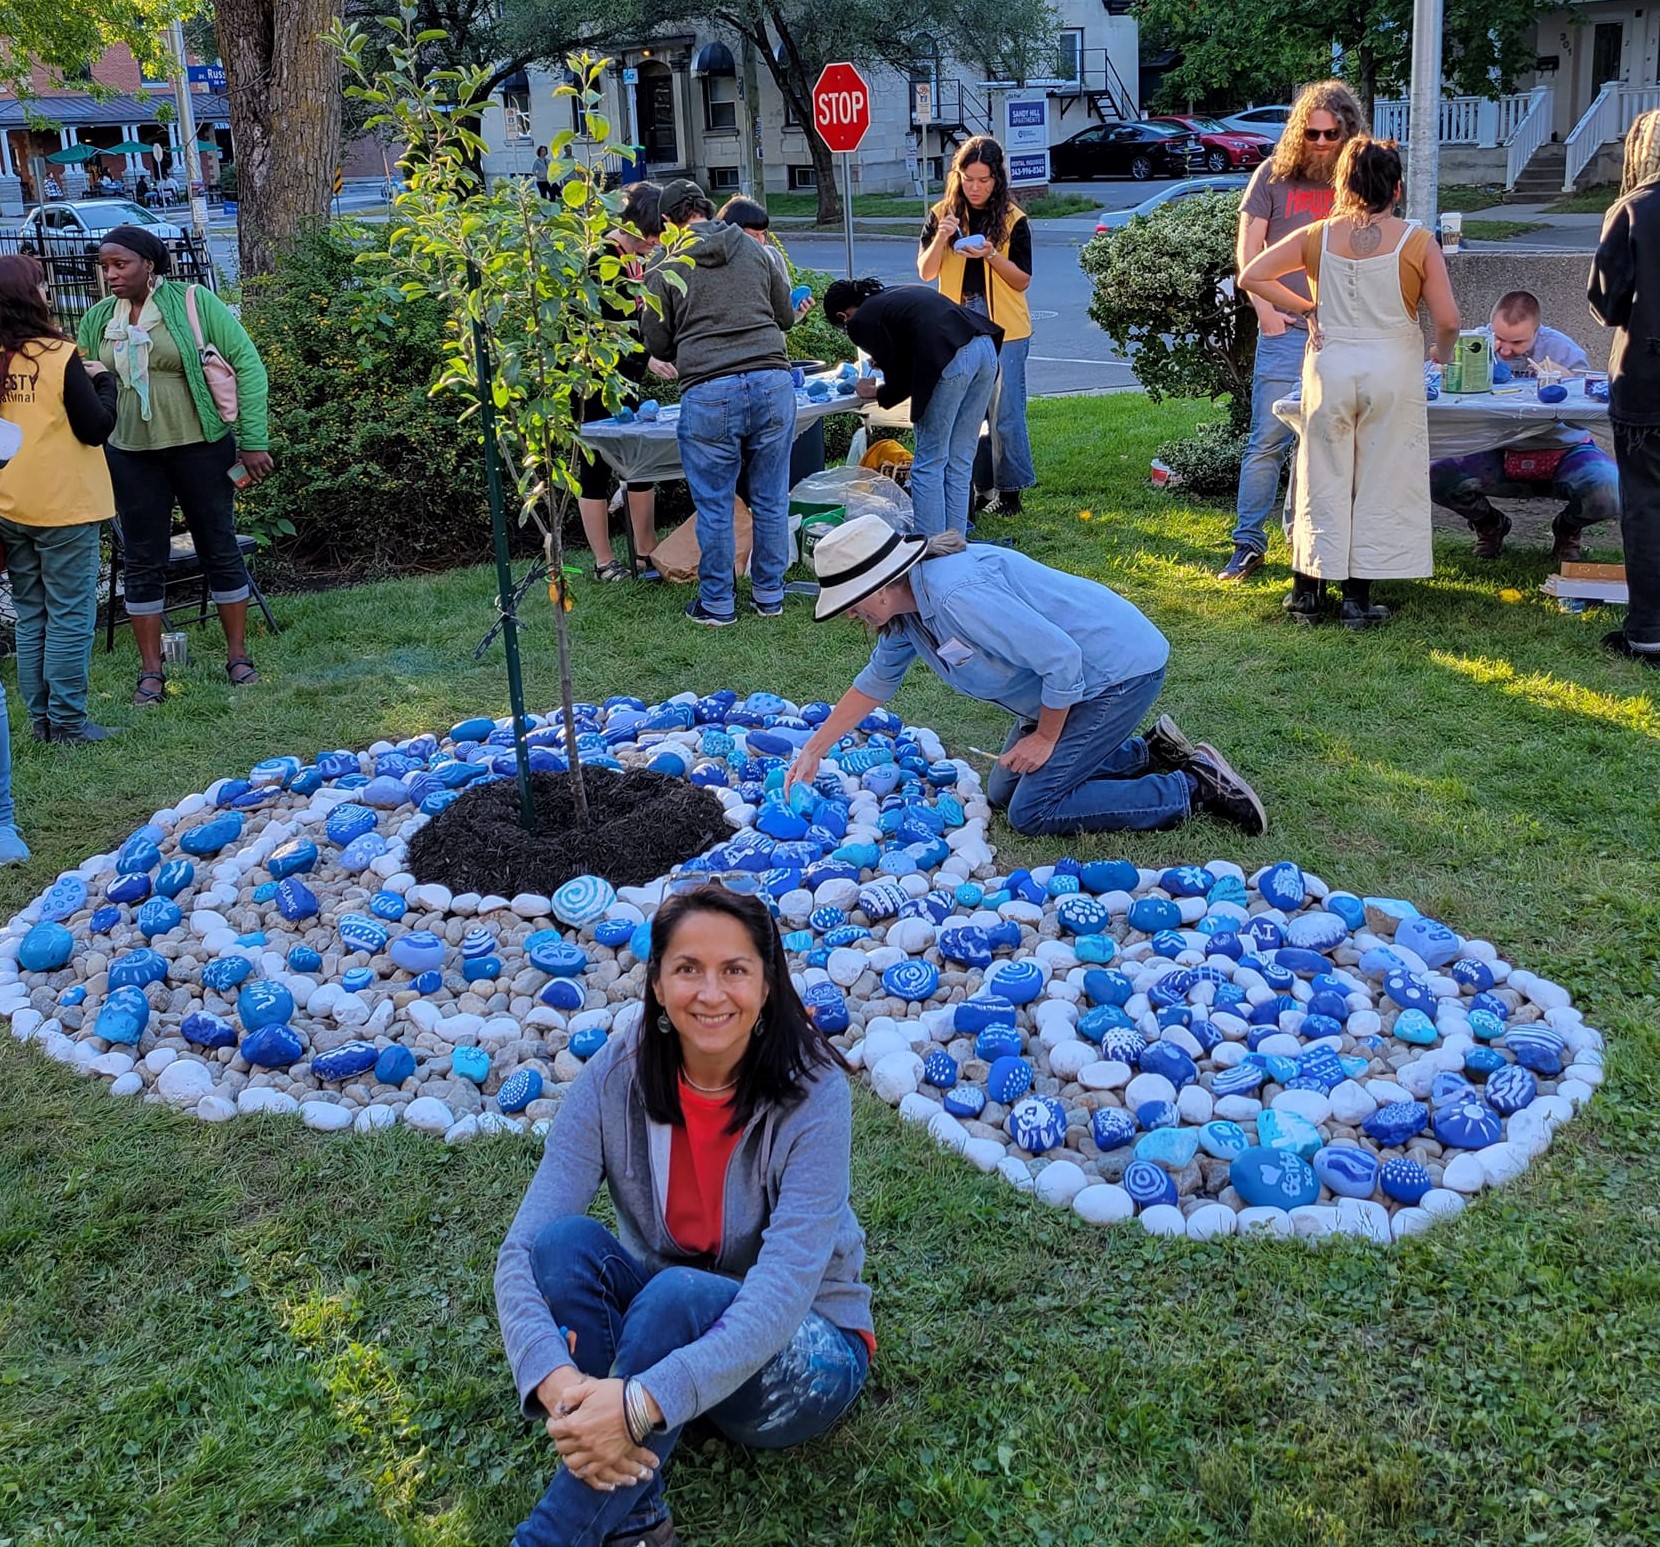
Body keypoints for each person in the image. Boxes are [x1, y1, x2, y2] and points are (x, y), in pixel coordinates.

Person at [495, 882, 872, 1547]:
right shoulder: (617, 1074)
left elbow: (782, 1294)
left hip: (802, 1351)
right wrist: (560, 1388)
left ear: (765, 985)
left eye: (734, 969)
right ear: (659, 985)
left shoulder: (816, 1092)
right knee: (561, 1246)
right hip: (668, 1335)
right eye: (688, 968)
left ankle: (548, 1537)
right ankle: (637, 1521)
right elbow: (519, 1253)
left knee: (678, 1292)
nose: (710, 992)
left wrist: (636, 1402)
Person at [786, 513, 1267, 835]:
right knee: (1002, 791)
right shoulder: (906, 614)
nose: (850, 615)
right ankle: (1146, 750)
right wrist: (813, 750)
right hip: (1069, 688)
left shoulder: (955, 595)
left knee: (1033, 811)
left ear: (883, 583)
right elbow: (875, 681)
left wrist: (1044, 739)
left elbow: (1062, 659)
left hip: (1114, 675)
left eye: (850, 602)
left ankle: (1195, 787)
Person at [1242, 138, 1459, 628]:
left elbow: (1253, 275)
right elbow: (1447, 319)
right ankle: (1358, 601)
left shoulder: (1317, 235)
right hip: (1392, 369)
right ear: (1397, 188)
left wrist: (1306, 307)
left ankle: (1306, 593)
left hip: (1330, 364)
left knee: (1321, 473)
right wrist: (1439, 356)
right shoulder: (1418, 242)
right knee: (1378, 478)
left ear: (1341, 185)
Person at [77, 225, 274, 704]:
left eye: (120, 264)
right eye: (105, 266)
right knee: (144, 557)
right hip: (129, 453)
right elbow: (82, 379)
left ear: (149, 263)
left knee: (219, 545)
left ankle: (239, 657)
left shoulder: (194, 302)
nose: (111, 274)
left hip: (201, 446)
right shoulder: (100, 317)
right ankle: (150, 671)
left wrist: (253, 440)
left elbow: (246, 364)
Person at [1222, 78, 1368, 582]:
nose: (1323, 144)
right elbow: (1248, 253)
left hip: (1344, 332)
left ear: (1348, 132)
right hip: (1283, 326)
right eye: (1312, 134)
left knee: (1330, 442)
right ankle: (1247, 544)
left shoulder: (1357, 180)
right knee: (1267, 439)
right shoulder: (1271, 176)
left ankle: (1308, 540)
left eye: (1332, 135)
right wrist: (1263, 307)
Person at [640, 179, 795, 627]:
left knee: (715, 504)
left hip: (709, 389)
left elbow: (658, 341)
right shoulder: (754, 249)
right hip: (771, 380)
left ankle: (718, 604)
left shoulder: (666, 263)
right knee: (770, 497)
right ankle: (770, 595)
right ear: (709, 209)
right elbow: (783, 317)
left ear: (667, 222)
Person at [0, 255, 120, 750]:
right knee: (70, 613)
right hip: (65, 502)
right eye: (44, 287)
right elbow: (95, 428)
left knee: (32, 614)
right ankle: (69, 721)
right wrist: (104, 384)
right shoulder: (58, 354)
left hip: (9, 500)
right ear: (30, 296)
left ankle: (41, 721)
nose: (50, 293)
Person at [1428, 291, 1620, 561]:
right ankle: (1490, 525)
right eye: (1499, 339)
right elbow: (1436, 358)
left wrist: (1565, 379)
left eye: (1517, 342)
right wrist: (1447, 358)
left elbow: (1590, 390)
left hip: (1562, 450)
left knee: (1610, 489)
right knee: (1435, 475)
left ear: (1537, 330)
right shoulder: (1478, 341)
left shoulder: (1560, 348)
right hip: (1497, 448)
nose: (1505, 350)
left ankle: (1568, 529)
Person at [823, 278, 1000, 540]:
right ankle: (956, 544)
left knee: (929, 463)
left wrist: (875, 392)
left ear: (843, 315)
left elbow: (908, 379)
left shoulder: (860, 322)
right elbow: (918, 338)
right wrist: (888, 361)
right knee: (960, 460)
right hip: (984, 349)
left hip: (951, 358)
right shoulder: (892, 296)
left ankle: (931, 546)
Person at [917, 136, 1034, 516]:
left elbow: (1022, 280)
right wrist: (942, 237)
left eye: (984, 180)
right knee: (967, 412)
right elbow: (926, 271)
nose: (976, 188)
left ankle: (1011, 492)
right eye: (969, 179)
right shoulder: (941, 214)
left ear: (997, 180)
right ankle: (979, 489)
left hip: (1006, 326)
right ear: (958, 176)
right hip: (955, 324)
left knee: (1006, 414)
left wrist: (992, 255)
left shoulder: (1013, 219)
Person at [1589, 108, 1660, 666]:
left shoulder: (1634, 209)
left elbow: (1608, 304)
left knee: (1646, 506)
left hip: (1647, 380)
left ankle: (1648, 630)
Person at [576, 182, 670, 581]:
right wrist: (647, 357)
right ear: (633, 225)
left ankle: (646, 551)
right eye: (653, 234)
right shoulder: (603, 259)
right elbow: (605, 328)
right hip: (593, 383)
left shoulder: (639, 261)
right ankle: (604, 562)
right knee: (594, 469)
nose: (656, 242)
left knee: (641, 462)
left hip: (628, 382)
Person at [714, 196, 814, 320]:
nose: (761, 241)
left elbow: (783, 313)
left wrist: (796, 311)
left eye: (763, 233)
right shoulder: (716, 262)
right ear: (732, 233)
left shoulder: (773, 257)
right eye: (754, 235)